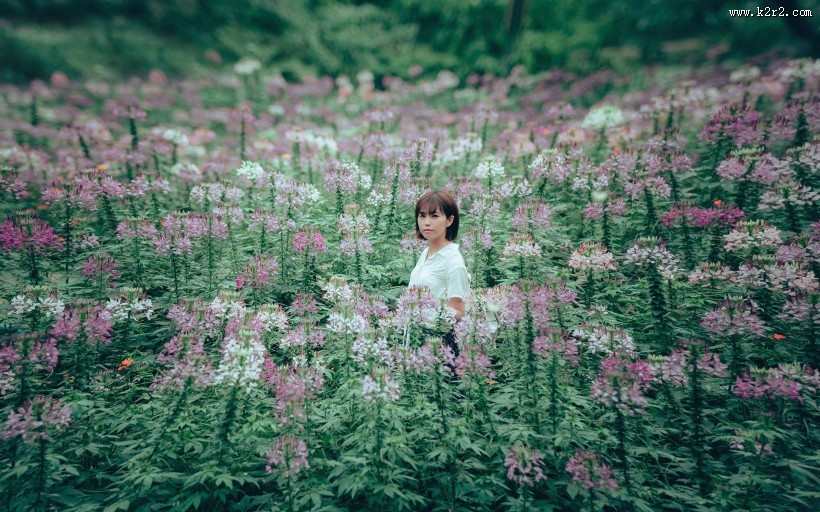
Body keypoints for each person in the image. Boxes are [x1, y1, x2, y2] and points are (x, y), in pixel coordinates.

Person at [405, 190, 471, 357]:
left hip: (439, 346)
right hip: (416, 338)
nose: (427, 222)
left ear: (449, 220)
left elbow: (460, 312)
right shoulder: (426, 253)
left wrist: (430, 311)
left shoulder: (454, 262)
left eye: (434, 216)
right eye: (422, 216)